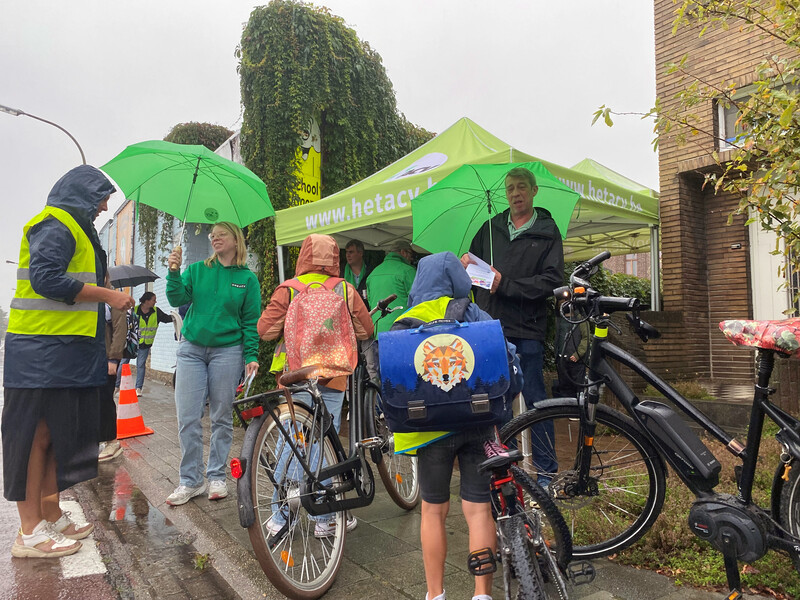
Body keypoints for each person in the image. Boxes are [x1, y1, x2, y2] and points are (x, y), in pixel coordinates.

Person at [2, 165, 135, 558]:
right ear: (82, 193)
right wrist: (108, 296)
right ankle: (30, 532)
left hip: (63, 352)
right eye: (101, 198)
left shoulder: (76, 228)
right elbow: (46, 279)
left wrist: (103, 285)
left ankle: (50, 512)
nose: (105, 206)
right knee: (34, 438)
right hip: (39, 351)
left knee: (55, 436)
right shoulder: (55, 223)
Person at [390, 252, 519, 600]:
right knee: (478, 510)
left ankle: (435, 594)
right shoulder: (475, 314)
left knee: (433, 511)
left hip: (429, 429)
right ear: (458, 282)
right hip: (478, 422)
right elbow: (508, 361)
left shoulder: (404, 322)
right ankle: (482, 594)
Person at [258, 233, 373, 535]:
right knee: (321, 441)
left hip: (295, 375)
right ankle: (324, 518)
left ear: (303, 256)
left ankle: (281, 516)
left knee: (293, 439)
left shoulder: (289, 289)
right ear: (335, 257)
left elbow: (265, 331)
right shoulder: (345, 289)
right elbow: (365, 331)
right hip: (333, 376)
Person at [461, 166, 564, 478]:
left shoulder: (547, 231)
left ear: (533, 191)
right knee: (497, 401)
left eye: (521, 187)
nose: (515, 193)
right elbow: (472, 274)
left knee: (535, 400)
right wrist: (465, 264)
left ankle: (546, 473)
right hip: (492, 329)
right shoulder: (489, 229)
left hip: (527, 329)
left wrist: (505, 284)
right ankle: (507, 472)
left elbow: (552, 281)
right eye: (510, 188)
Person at [165, 222, 261, 506]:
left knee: (221, 416)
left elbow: (250, 321)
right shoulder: (197, 270)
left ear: (236, 240)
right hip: (191, 350)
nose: (215, 238)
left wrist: (251, 355)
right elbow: (176, 297)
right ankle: (191, 480)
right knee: (188, 417)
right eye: (212, 235)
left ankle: (217, 476)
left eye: (222, 234)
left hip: (228, 352)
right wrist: (173, 271)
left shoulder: (247, 279)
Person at [365, 240, 416, 379]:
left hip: (378, 334)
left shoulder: (373, 274)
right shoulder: (408, 271)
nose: (411, 258)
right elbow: (418, 301)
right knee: (403, 377)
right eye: (410, 254)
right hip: (402, 333)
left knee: (382, 377)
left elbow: (371, 303)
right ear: (403, 252)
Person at [120, 291, 172, 396]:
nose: (155, 302)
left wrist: (177, 316)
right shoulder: (134, 310)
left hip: (145, 344)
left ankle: (138, 388)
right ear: (147, 301)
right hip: (132, 342)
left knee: (140, 365)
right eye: (154, 300)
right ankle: (116, 385)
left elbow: (167, 319)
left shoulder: (156, 312)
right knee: (123, 363)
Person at [99, 292, 128, 463]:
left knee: (105, 400)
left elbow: (120, 329)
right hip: (87, 359)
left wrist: (113, 358)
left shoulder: (112, 300)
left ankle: (112, 441)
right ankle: (95, 439)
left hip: (105, 359)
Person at [553, 298, 590, 399]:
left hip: (576, 361)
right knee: (564, 388)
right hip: (561, 359)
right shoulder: (559, 320)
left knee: (578, 388)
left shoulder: (581, 319)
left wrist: (578, 354)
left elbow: (586, 338)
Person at [342, 238, 371, 308]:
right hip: (347, 310)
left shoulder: (370, 272)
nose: (348, 255)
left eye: (351, 252)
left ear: (360, 253)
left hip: (366, 310)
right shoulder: (340, 273)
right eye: (346, 252)